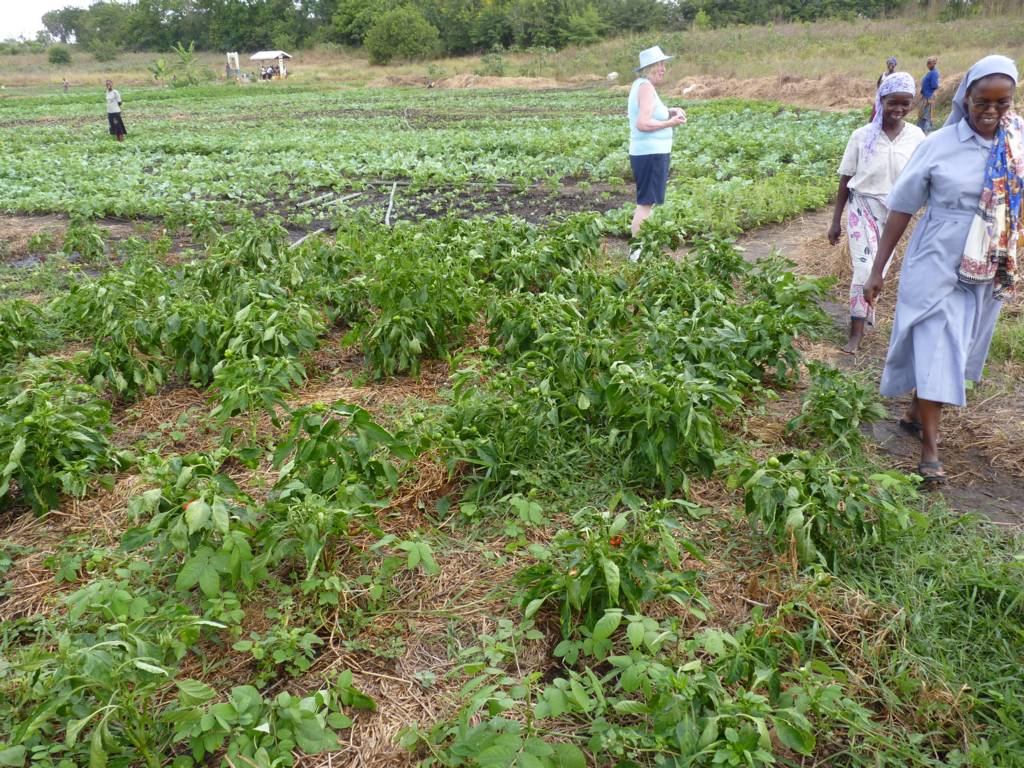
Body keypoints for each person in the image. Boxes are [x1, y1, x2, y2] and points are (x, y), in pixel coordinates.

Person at [863, 55, 1021, 485]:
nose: (990, 113)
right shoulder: (938, 145)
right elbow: (902, 207)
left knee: (961, 345)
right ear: (964, 98)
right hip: (937, 256)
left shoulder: (1016, 142)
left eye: (1001, 104)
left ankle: (917, 411)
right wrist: (878, 269)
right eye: (981, 103)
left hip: (988, 260)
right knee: (940, 340)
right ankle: (931, 450)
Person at [829, 73, 924, 354]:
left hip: (896, 212)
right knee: (863, 269)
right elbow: (845, 178)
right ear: (880, 100)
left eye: (905, 104)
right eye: (893, 102)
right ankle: (855, 332)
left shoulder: (917, 137)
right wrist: (835, 221)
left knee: (878, 270)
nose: (898, 109)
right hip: (862, 206)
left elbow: (922, 176)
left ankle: (866, 313)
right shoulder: (861, 136)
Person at [627, 45, 686, 261]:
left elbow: (650, 113)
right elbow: (642, 123)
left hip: (650, 153)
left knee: (647, 202)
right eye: (659, 64)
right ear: (649, 67)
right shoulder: (645, 87)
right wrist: (670, 122)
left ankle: (639, 250)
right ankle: (636, 254)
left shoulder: (644, 86)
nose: (663, 68)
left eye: (664, 64)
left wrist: (669, 111)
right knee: (645, 203)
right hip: (649, 154)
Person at [918, 56, 940, 133]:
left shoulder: (934, 73)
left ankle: (927, 130)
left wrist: (931, 95)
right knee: (923, 113)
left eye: (930, 63)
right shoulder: (930, 73)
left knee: (927, 114)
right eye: (928, 63)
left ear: (934, 64)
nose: (928, 65)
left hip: (929, 96)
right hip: (925, 96)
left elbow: (934, 85)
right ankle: (921, 128)